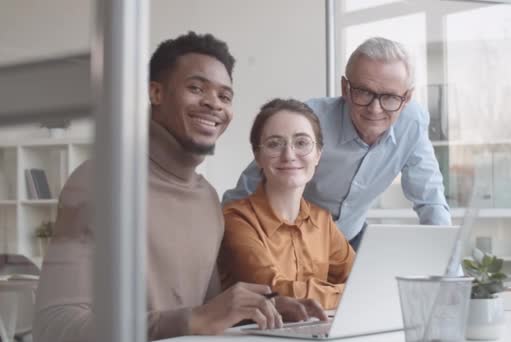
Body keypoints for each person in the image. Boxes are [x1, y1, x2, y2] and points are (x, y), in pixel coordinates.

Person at [33, 32, 326, 342]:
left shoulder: (208, 198)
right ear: (156, 93)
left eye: (225, 96)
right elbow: (54, 326)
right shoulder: (99, 183)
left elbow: (205, 315)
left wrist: (262, 308)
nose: (213, 103)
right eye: (196, 88)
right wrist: (192, 320)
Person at [223, 37, 451, 250]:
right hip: (291, 242)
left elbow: (430, 199)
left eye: (390, 97)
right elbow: (249, 188)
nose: (375, 109)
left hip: (350, 239)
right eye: (363, 93)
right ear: (345, 89)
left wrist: (449, 271)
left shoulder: (411, 123)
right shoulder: (308, 121)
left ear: (407, 98)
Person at [218, 99, 355, 310]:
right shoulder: (235, 220)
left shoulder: (322, 220)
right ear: (257, 156)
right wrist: (348, 294)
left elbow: (362, 277)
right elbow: (275, 291)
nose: (289, 155)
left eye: (301, 143)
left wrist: (355, 291)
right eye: (274, 144)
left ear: (318, 154)